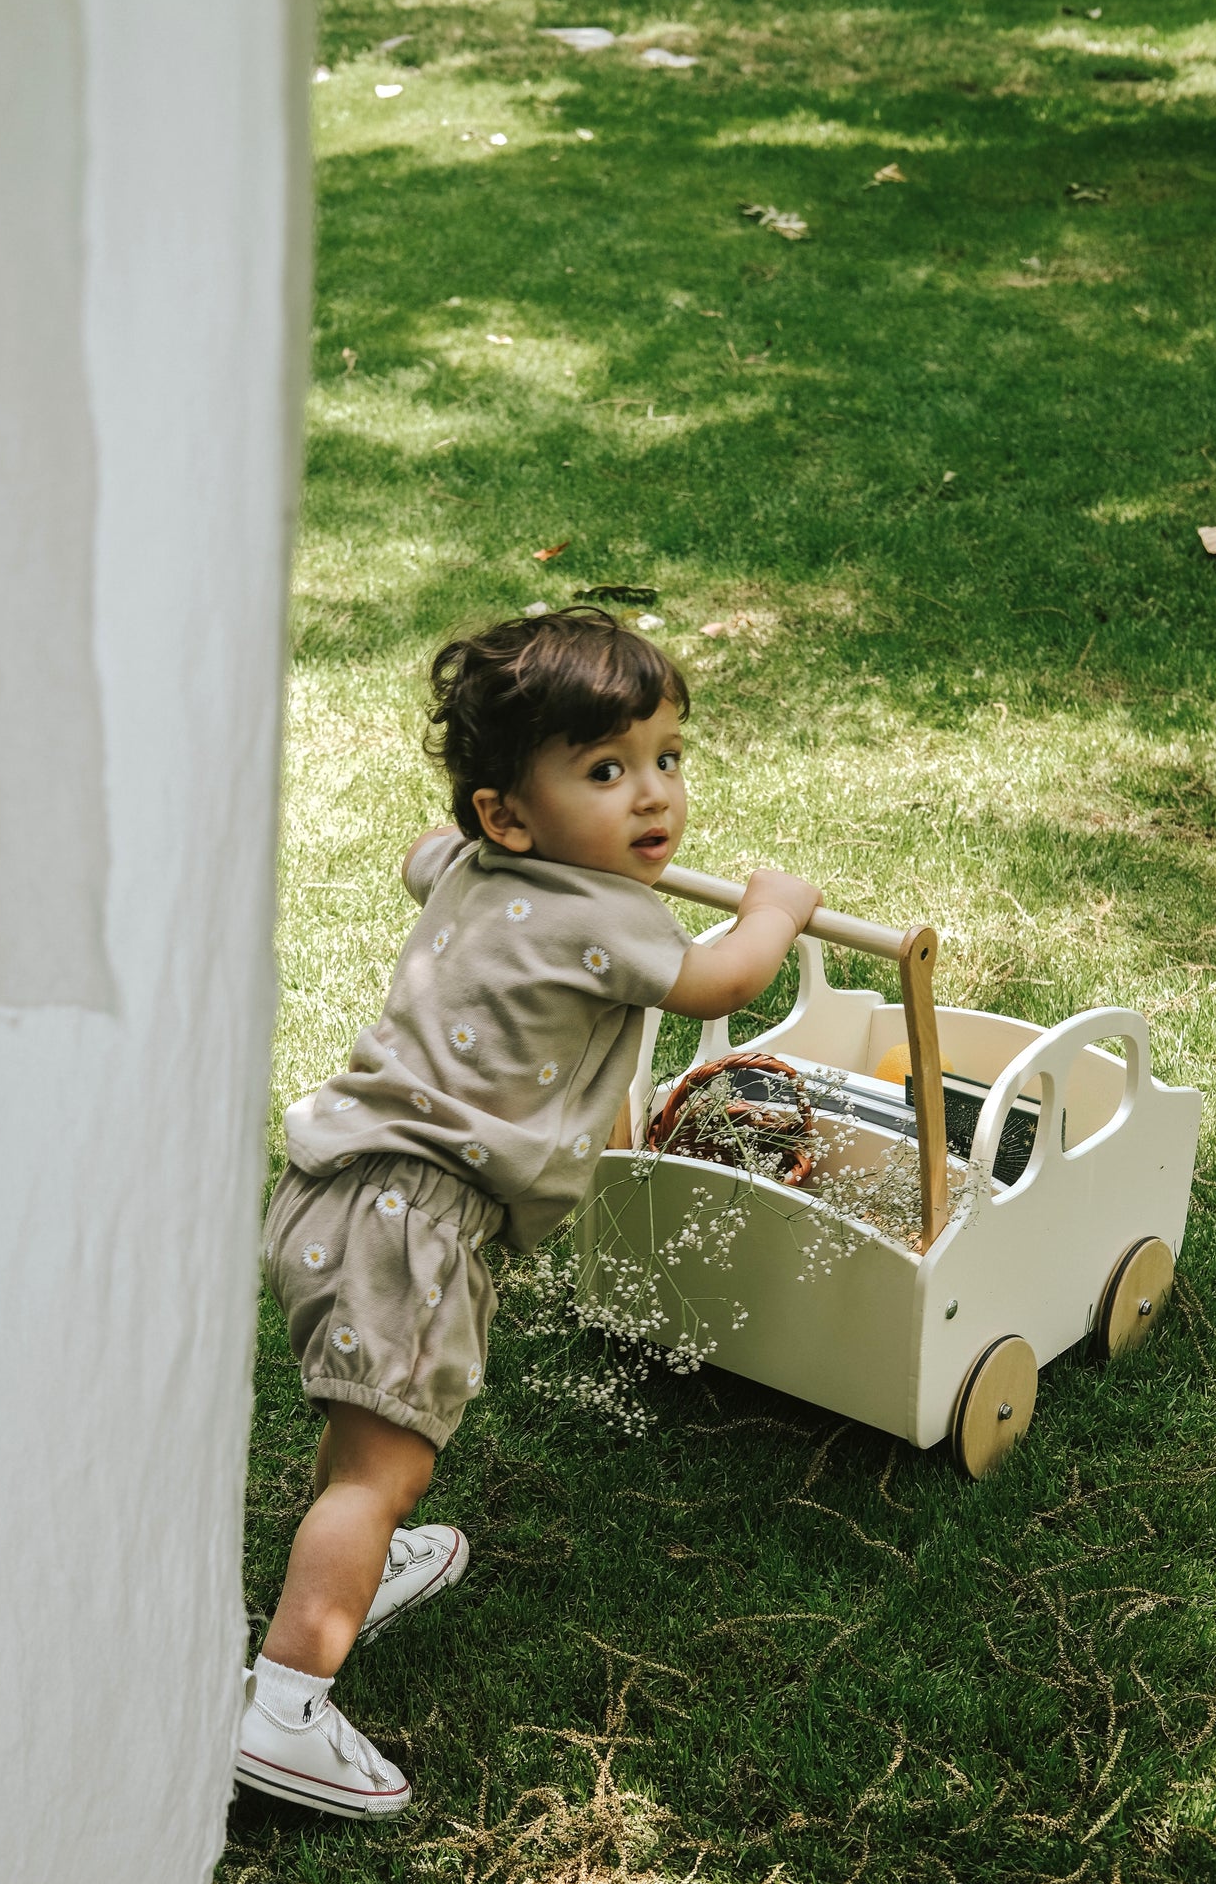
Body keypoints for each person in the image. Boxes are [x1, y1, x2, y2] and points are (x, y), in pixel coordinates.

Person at [236, 606, 821, 1815]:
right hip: (420, 1218)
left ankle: (362, 1555)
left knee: (369, 1418)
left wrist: (486, 820)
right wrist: (773, 906)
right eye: (604, 771)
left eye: (665, 757)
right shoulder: (610, 919)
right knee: (380, 1465)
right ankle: (285, 1704)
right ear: (510, 811)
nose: (651, 796)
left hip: (331, 1193)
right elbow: (724, 977)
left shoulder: (464, 866)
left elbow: (419, 852)